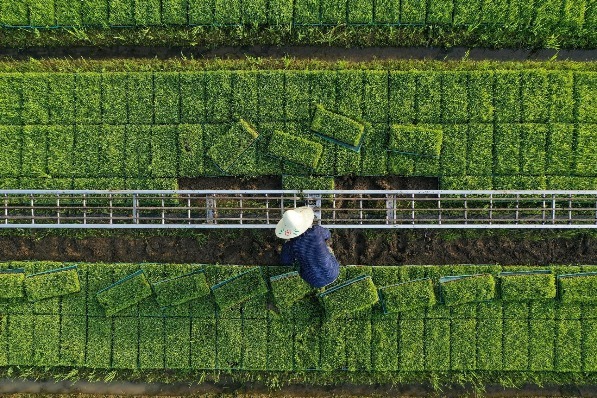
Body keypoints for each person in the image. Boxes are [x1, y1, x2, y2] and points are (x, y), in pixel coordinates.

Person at [276, 206, 340, 288]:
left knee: (296, 261)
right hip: (333, 272)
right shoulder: (317, 231)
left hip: (313, 281)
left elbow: (285, 261)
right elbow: (328, 235)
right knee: (327, 248)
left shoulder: (290, 245)